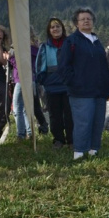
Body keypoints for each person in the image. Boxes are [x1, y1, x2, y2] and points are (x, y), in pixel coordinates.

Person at [57, 7, 109, 160]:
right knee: (83, 122)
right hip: (81, 91)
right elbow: (63, 67)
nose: (87, 21)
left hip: (99, 91)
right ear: (76, 23)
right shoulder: (71, 41)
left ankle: (94, 150)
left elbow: (104, 66)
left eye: (89, 18)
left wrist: (108, 85)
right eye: (83, 19)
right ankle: (79, 152)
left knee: (97, 121)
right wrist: (75, 83)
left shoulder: (96, 41)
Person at [36, 18, 74, 149]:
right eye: (52, 27)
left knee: (70, 114)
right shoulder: (44, 47)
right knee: (54, 115)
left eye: (57, 26)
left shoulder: (70, 44)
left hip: (68, 86)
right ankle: (58, 140)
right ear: (49, 31)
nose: (55, 29)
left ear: (62, 28)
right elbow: (40, 66)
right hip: (52, 88)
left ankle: (71, 140)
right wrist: (44, 81)